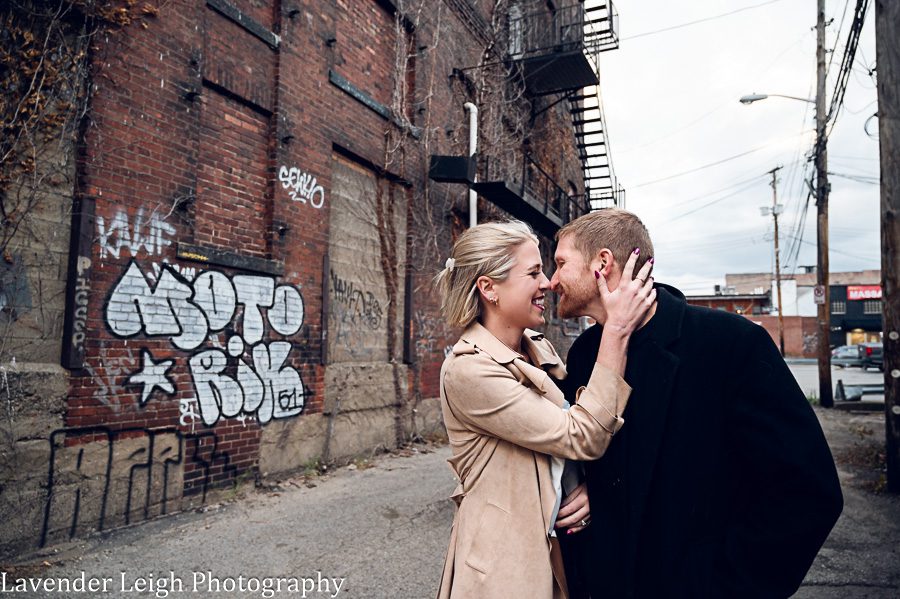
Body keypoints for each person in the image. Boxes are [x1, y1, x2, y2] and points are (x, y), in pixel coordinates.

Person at [550, 209, 844, 598]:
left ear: (602, 263)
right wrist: (600, 489)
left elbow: (806, 490)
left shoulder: (730, 344)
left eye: (560, 264)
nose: (552, 281)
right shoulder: (586, 353)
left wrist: (723, 584)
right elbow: (601, 455)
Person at [434, 220, 655, 599]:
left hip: (557, 551)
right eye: (533, 272)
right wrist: (617, 329)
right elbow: (581, 435)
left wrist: (594, 487)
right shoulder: (469, 370)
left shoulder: (537, 347)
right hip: (505, 569)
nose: (547, 284)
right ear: (489, 288)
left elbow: (576, 436)